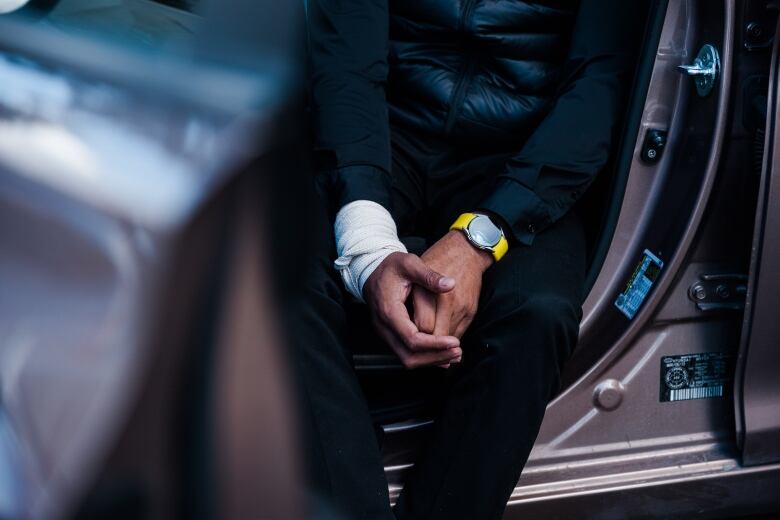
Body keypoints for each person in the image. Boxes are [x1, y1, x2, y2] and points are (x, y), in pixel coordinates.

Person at [294, 1, 648, 518]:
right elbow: (347, 62)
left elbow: (598, 85)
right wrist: (367, 244)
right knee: (272, 275)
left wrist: (480, 238)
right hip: (383, 131)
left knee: (538, 313)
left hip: (521, 156)